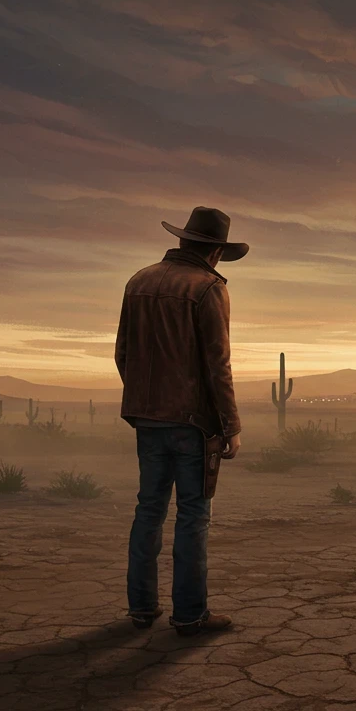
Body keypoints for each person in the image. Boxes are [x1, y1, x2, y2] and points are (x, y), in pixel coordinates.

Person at [114, 207, 247, 635]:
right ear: (215, 252)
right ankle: (190, 613)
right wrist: (230, 424)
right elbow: (217, 365)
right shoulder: (208, 288)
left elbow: (123, 353)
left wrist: (144, 399)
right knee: (193, 516)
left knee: (149, 509)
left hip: (148, 419)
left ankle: (142, 607)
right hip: (193, 423)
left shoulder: (139, 281)